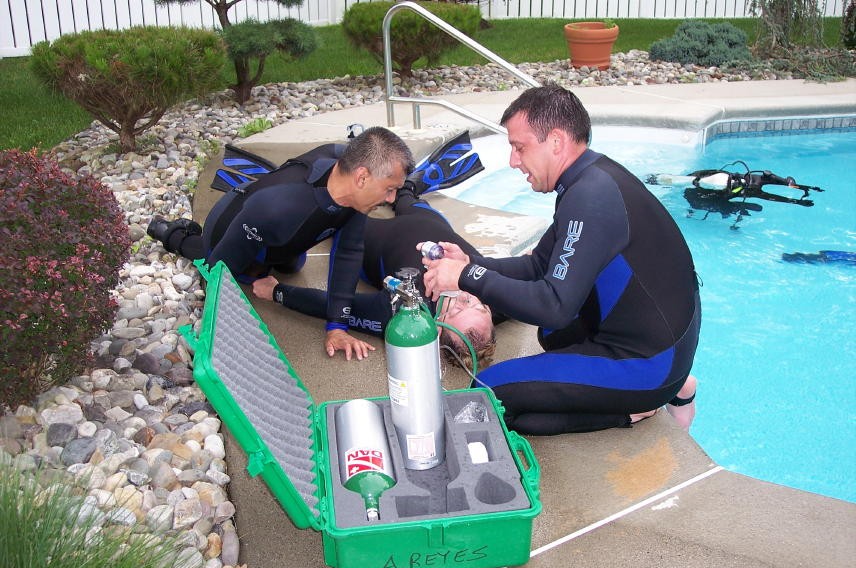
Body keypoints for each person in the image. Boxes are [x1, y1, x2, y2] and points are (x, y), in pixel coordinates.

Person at [422, 84, 701, 434]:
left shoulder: (591, 199)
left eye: (518, 148)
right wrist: (468, 263)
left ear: (555, 142)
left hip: (651, 362)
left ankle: (634, 409)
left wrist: (466, 278)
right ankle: (671, 388)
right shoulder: (590, 179)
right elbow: (539, 267)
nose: (512, 161)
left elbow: (554, 305)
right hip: (659, 337)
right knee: (553, 335)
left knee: (487, 395)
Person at [147, 126, 414, 361]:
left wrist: (337, 326)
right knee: (238, 269)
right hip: (232, 222)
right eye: (389, 189)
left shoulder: (346, 167)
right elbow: (219, 273)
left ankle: (265, 256)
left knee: (294, 264)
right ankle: (171, 233)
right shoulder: (278, 208)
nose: (392, 199)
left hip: (282, 229)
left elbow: (348, 251)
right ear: (362, 177)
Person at [251, 186, 498, 370]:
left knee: (344, 216)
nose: (467, 295)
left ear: (439, 324)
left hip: (380, 241)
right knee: (408, 198)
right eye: (479, 305)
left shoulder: (404, 311)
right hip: (432, 220)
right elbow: (528, 288)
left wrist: (278, 292)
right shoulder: (497, 298)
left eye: (458, 308)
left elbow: (337, 305)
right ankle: (405, 189)